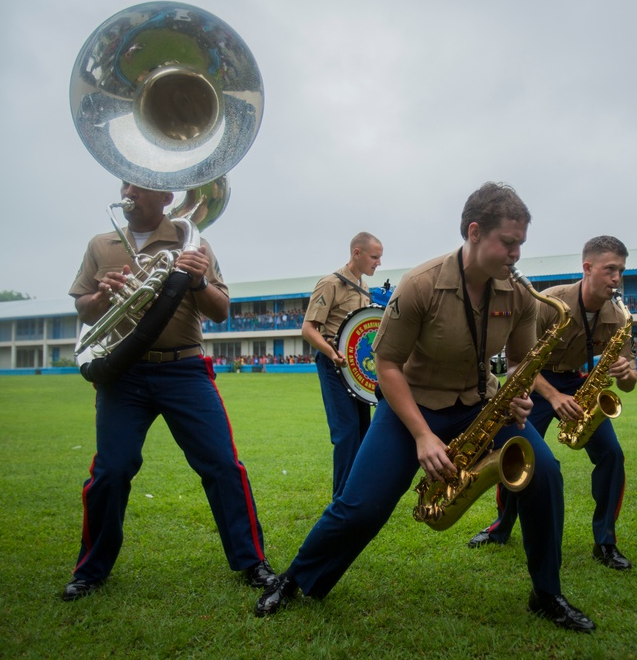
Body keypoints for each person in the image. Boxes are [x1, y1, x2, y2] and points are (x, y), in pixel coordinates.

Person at [255, 182, 595, 632]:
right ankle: (296, 580)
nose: (516, 254)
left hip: (479, 405)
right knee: (360, 507)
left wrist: (518, 390)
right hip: (409, 407)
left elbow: (518, 362)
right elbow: (386, 362)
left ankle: (546, 593)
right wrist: (422, 435)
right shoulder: (421, 284)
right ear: (475, 232)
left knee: (545, 472)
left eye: (520, 244)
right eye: (508, 243)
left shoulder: (520, 293)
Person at [61, 182, 275, 601]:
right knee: (112, 470)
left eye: (139, 187)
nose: (128, 192)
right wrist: (102, 294)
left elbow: (220, 310)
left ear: (165, 198)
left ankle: (252, 562)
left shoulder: (193, 241)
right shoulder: (100, 244)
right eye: (125, 184)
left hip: (185, 370)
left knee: (222, 466)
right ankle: (90, 571)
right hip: (123, 375)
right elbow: (81, 307)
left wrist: (196, 280)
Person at [466, 236, 637, 572]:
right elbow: (522, 363)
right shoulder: (550, 302)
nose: (617, 278)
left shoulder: (620, 317)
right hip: (536, 379)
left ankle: (605, 542)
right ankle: (501, 528)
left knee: (612, 455)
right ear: (587, 268)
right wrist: (554, 396)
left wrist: (627, 371)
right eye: (610, 269)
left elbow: (629, 384)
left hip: (578, 381)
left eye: (621, 271)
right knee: (519, 454)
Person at [301, 232, 384, 500]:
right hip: (333, 365)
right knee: (346, 433)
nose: (378, 263)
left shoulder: (365, 288)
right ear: (357, 253)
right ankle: (342, 499)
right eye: (374, 256)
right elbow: (308, 329)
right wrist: (331, 352)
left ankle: (357, 493)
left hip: (359, 372)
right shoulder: (330, 284)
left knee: (363, 432)